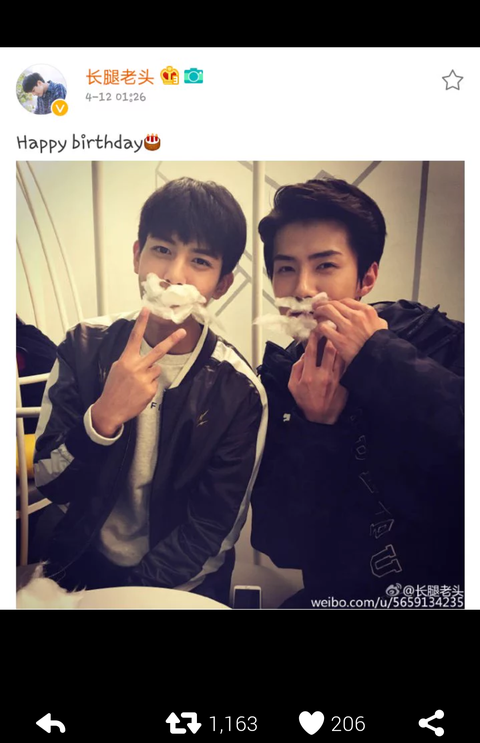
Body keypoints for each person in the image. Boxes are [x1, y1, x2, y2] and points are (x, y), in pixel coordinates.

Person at [34, 178, 267, 604]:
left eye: (199, 261)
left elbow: (212, 527)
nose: (173, 275)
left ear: (221, 284)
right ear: (137, 256)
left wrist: (134, 593)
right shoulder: (83, 346)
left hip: (181, 586)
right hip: (80, 568)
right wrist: (101, 420)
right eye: (161, 250)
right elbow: (51, 483)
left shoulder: (239, 390)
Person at [251, 179, 464, 608]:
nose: (303, 288)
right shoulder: (276, 383)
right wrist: (316, 428)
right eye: (286, 268)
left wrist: (380, 357)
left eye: (325, 265)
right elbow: (282, 545)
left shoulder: (436, 340)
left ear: (367, 277)